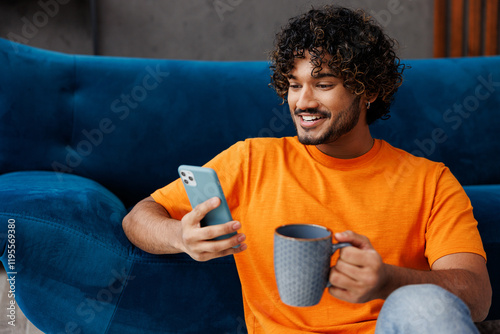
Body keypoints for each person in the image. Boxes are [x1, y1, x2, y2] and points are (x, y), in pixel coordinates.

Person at [122, 5, 491, 333]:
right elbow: (138, 217)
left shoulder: (430, 181)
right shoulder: (250, 160)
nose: (303, 101)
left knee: (422, 306)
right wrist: (180, 238)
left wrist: (387, 280)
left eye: (324, 84)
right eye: (294, 85)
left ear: (370, 91)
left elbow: (476, 297)